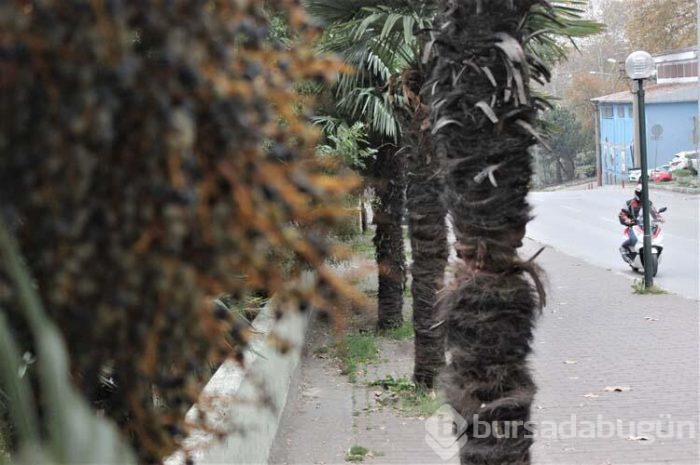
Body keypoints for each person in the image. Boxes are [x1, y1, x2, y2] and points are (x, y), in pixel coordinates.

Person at [618, 184, 662, 255]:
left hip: (647, 226)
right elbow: (622, 214)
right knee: (634, 239)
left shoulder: (649, 203)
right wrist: (627, 219)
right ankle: (623, 247)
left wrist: (659, 218)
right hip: (634, 226)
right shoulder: (629, 203)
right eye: (640, 193)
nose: (641, 195)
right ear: (636, 193)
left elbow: (654, 213)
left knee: (655, 240)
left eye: (643, 193)